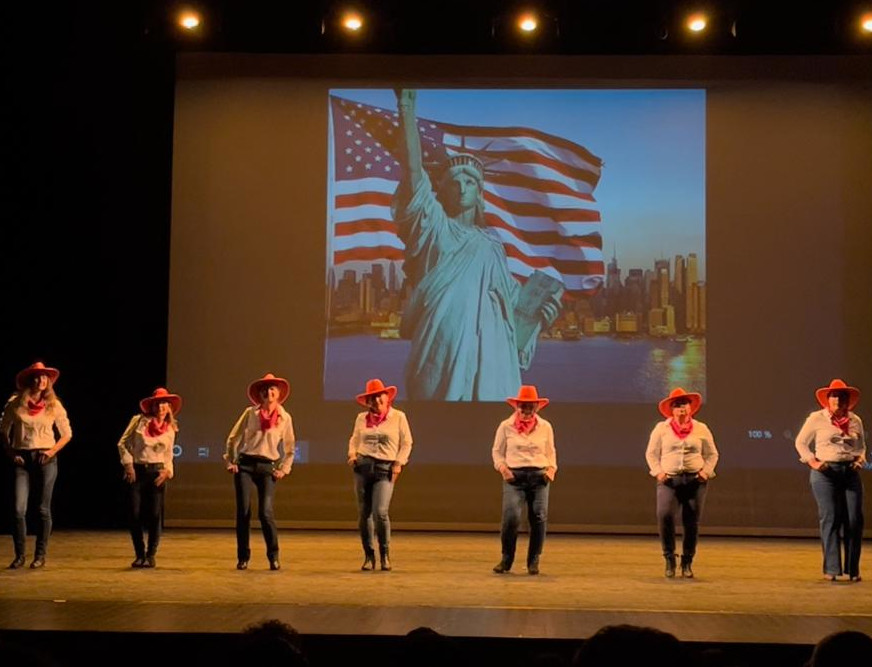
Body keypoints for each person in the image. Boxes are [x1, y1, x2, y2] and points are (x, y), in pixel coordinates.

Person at [393, 88, 561, 401]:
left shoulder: (493, 247)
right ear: (440, 191)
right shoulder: (435, 230)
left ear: (480, 193)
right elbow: (413, 173)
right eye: (454, 182)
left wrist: (538, 316)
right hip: (439, 351)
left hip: (493, 361)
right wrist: (406, 108)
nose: (462, 188)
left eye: (470, 182)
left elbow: (513, 313)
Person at [1, 362, 72, 569]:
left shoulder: (54, 405)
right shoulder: (15, 403)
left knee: (42, 508)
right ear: (30, 380)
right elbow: (3, 431)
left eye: (45, 377)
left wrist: (51, 451)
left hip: (45, 458)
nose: (42, 380)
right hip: (22, 459)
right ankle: (20, 555)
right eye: (38, 377)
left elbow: (67, 434)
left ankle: (40, 555)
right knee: (18, 509)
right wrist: (11, 453)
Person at [794, 379, 866, 582]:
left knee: (854, 520)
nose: (837, 400)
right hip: (825, 473)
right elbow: (800, 442)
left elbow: (861, 446)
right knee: (831, 517)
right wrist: (813, 462)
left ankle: (853, 570)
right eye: (833, 396)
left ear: (848, 400)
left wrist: (860, 458)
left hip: (849, 472)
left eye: (842, 396)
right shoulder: (817, 418)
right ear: (827, 399)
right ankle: (832, 569)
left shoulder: (855, 420)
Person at [225, 373, 295, 571]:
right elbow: (233, 438)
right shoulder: (250, 413)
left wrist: (284, 469)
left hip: (267, 466)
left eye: (273, 388)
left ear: (279, 393)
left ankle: (273, 556)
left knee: (265, 512)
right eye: (265, 389)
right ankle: (243, 557)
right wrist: (231, 460)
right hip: (246, 464)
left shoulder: (284, 417)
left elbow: (290, 448)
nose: (269, 392)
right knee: (243, 512)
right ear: (260, 394)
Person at [645, 387, 718, 578]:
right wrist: (658, 472)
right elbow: (651, 453)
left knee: (691, 522)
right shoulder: (662, 428)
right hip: (669, 480)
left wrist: (706, 472)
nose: (681, 409)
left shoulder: (701, 428)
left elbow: (712, 454)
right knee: (665, 516)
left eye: (684, 405)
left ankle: (687, 562)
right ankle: (669, 558)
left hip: (695, 481)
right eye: (677, 406)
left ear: (691, 407)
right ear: (671, 409)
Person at [347, 378, 412, 571]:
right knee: (364, 513)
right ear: (368, 401)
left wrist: (399, 463)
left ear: (387, 397)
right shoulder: (361, 418)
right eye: (372, 398)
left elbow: (407, 442)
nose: (376, 401)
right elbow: (354, 439)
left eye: (379, 396)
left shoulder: (398, 416)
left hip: (385, 469)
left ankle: (385, 555)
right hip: (363, 467)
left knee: (380, 512)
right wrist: (352, 454)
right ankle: (369, 556)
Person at [491, 385, 557, 575]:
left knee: (538, 517)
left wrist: (551, 469)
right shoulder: (506, 426)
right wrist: (503, 468)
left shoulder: (545, 426)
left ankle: (534, 560)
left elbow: (551, 451)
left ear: (536, 407)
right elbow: (497, 451)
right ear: (517, 406)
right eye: (523, 406)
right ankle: (506, 559)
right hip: (515, 477)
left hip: (539, 476)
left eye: (530, 407)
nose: (527, 411)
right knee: (511, 517)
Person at [117, 387, 181, 568]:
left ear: (169, 407)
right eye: (158, 403)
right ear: (152, 406)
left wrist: (167, 471)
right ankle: (139, 553)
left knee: (154, 515)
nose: (161, 407)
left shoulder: (171, 428)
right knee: (135, 513)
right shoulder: (139, 421)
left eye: (165, 403)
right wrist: (128, 465)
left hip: (157, 472)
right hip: (137, 471)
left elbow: (169, 454)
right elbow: (123, 443)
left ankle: (151, 554)